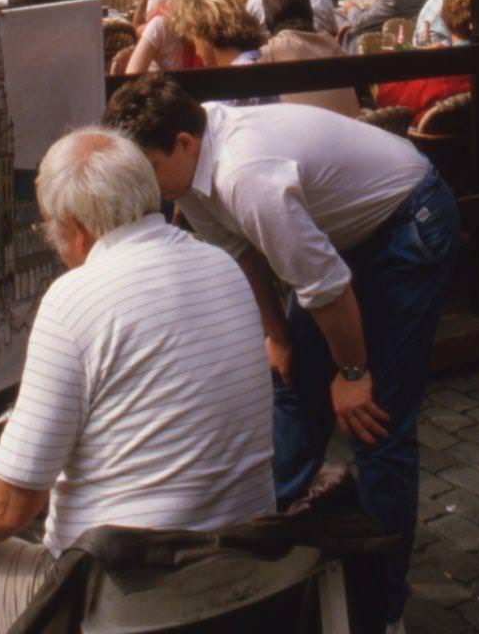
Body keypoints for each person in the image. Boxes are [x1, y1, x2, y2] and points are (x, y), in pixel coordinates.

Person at [0, 128, 274, 634]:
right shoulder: (221, 265)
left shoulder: (76, 298)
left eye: (48, 229)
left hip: (129, 599)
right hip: (239, 570)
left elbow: (7, 507)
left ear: (76, 228)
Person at [107, 77, 460, 634]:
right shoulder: (189, 171)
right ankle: (258, 559)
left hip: (407, 222)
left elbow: (325, 288)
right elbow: (240, 251)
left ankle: (382, 611)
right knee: (293, 390)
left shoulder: (245, 175)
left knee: (377, 427)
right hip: (348, 234)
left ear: (182, 144)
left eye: (145, 168)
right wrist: (278, 335)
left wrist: (352, 373)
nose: (141, 187)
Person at [261, 0, 360, 118]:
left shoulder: (270, 53)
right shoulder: (332, 45)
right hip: (353, 132)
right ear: (308, 9)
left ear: (268, 13)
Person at [167, 0, 266, 75]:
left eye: (194, 41)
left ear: (205, 35)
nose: (197, 52)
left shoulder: (237, 79)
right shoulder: (259, 62)